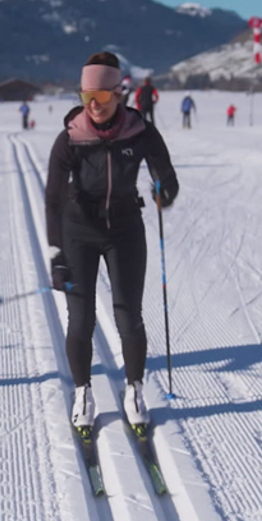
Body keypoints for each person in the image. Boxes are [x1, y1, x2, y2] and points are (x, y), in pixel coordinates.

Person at [45, 51, 179, 431]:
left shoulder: (139, 132)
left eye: (102, 98)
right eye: (86, 96)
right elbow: (53, 198)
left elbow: (166, 176)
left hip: (124, 230)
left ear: (118, 94)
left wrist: (163, 191)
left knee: (128, 316)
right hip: (78, 232)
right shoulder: (71, 138)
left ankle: (134, 389)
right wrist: (57, 252)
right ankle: (83, 391)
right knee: (81, 319)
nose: (93, 105)